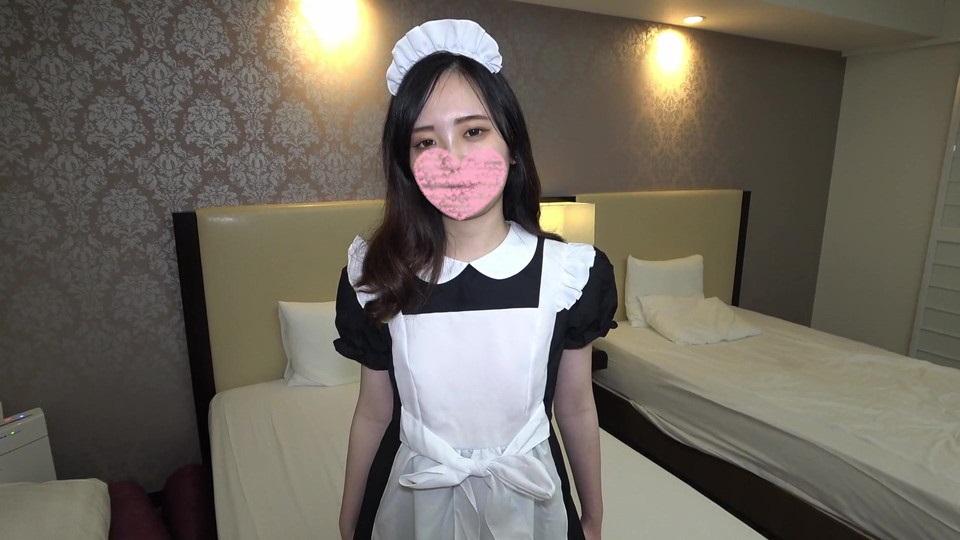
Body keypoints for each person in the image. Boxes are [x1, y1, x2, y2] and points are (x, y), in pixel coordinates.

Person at [334, 19, 617, 540]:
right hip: (412, 499)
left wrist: (593, 517)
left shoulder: (568, 275)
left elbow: (576, 405)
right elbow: (374, 413)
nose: (453, 159)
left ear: (512, 145)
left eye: (473, 131)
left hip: (533, 499)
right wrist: (349, 519)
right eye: (425, 141)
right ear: (407, 164)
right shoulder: (378, 277)